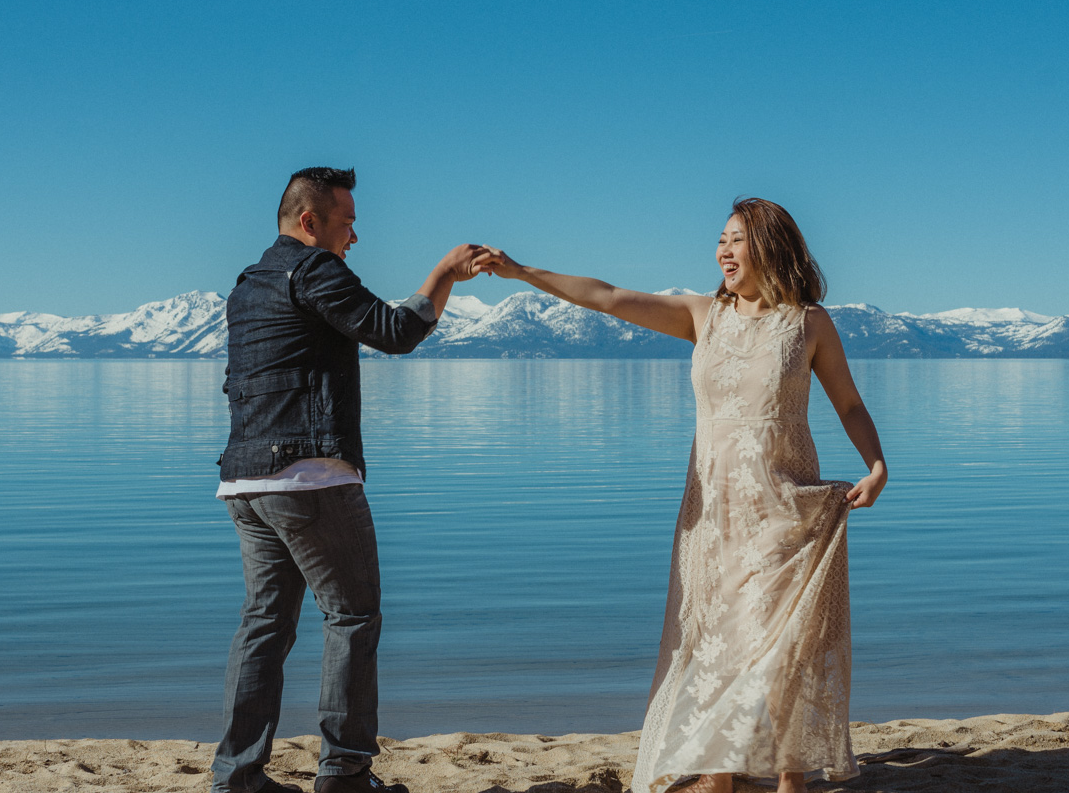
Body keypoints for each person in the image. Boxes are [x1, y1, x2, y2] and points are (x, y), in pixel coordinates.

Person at [475, 197, 888, 793]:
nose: (723, 249)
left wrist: (876, 466)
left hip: (784, 507)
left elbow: (848, 404)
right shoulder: (703, 316)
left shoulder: (808, 324)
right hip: (713, 513)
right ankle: (719, 777)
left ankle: (791, 778)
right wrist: (522, 273)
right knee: (718, 641)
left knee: (783, 647)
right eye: (720, 239)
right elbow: (608, 296)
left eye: (737, 239)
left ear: (770, 246)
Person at [212, 166, 484, 793]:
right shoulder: (313, 270)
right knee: (353, 617)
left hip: (245, 481)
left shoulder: (248, 284)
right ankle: (344, 773)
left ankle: (238, 776)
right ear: (310, 222)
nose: (354, 236)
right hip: (310, 478)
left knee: (265, 624)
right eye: (347, 222)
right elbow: (395, 333)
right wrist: (443, 275)